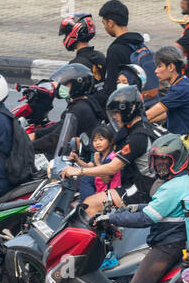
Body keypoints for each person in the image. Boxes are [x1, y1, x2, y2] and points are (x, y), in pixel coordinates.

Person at [101, 133, 189, 283]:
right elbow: (154, 206)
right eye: (157, 159)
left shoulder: (173, 187)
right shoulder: (180, 182)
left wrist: (111, 218)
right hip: (174, 241)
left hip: (168, 246)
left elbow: (147, 219)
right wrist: (132, 207)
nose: (160, 164)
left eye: (164, 160)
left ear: (177, 161)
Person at [63, 85, 150, 213]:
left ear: (127, 111)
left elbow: (111, 168)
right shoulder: (141, 128)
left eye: (116, 112)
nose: (114, 117)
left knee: (89, 205)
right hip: (140, 185)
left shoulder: (138, 136)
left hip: (141, 190)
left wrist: (77, 171)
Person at [32, 63, 102, 159]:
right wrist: (36, 134)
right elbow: (61, 125)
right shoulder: (83, 102)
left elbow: (55, 139)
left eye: (65, 84)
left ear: (77, 86)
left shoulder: (79, 109)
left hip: (81, 159)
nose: (60, 87)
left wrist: (28, 147)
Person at [147, 46, 189, 143]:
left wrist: (129, 123)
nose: (155, 71)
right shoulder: (186, 82)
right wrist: (147, 121)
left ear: (171, 67)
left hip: (185, 147)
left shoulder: (179, 90)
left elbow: (149, 115)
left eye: (159, 66)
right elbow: (167, 113)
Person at [97, 0, 147, 104]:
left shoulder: (115, 50)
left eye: (104, 23)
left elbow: (110, 88)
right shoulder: (139, 43)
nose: (105, 27)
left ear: (110, 23)